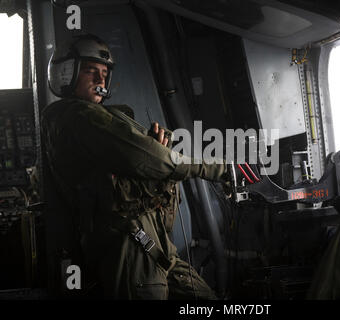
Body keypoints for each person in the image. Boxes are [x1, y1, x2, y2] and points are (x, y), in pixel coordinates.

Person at [42, 34, 228, 299]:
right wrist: (218, 169)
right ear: (66, 74)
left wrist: (151, 150)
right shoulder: (79, 117)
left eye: (104, 74)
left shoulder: (92, 120)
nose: (100, 81)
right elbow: (153, 159)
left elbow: (136, 162)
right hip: (131, 248)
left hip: (155, 246)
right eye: (91, 72)